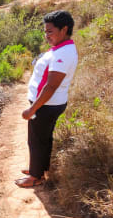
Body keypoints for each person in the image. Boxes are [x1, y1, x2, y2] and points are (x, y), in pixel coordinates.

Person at [15, 10, 78, 187]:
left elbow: (51, 86)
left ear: (64, 29)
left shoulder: (63, 54)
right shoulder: (61, 48)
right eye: (45, 31)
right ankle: (40, 168)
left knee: (36, 140)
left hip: (46, 105)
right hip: (48, 104)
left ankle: (35, 177)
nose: (46, 35)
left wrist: (32, 109)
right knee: (43, 138)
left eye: (50, 31)